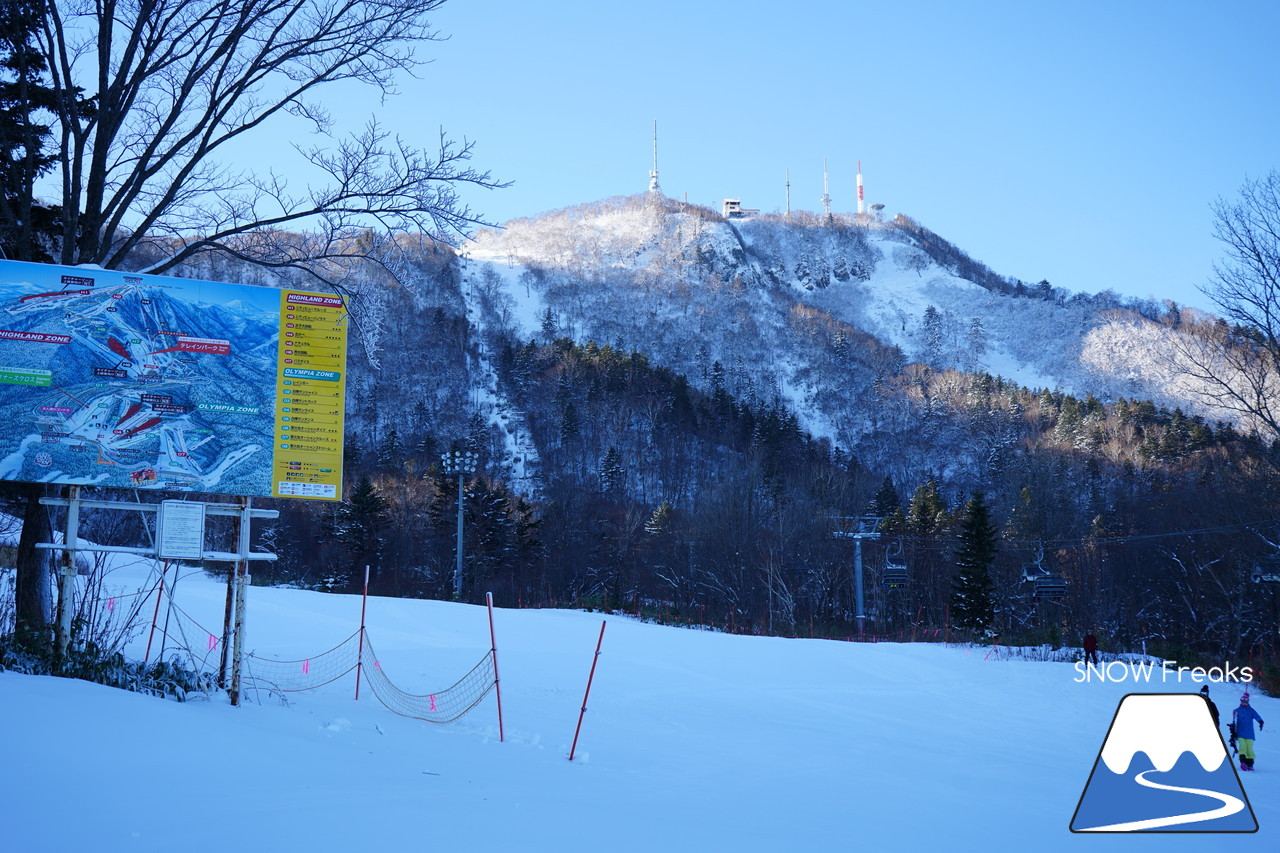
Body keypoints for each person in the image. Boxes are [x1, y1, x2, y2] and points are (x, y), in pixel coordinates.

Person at [1233, 692, 1265, 772]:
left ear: (1248, 701)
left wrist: (1260, 722)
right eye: (1242, 701)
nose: (1244, 703)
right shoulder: (1237, 710)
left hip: (1250, 734)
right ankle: (1243, 762)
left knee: (1249, 749)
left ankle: (1250, 765)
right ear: (1240, 701)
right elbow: (1234, 720)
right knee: (1243, 747)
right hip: (1240, 733)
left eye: (1245, 701)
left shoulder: (1251, 710)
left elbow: (1257, 716)